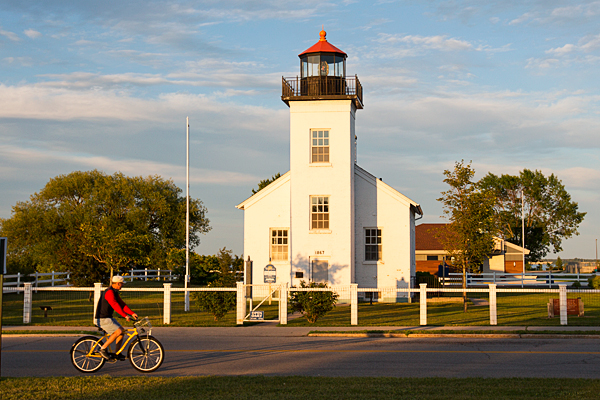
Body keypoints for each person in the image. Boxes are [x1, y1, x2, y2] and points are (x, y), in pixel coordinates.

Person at [95, 275, 138, 360]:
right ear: (118, 283)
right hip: (102, 318)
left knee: (121, 332)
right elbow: (115, 305)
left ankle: (117, 353)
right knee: (118, 331)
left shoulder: (114, 292)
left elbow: (122, 304)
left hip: (108, 318)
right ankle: (102, 348)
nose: (122, 285)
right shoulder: (109, 292)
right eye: (122, 284)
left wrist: (132, 313)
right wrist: (125, 315)